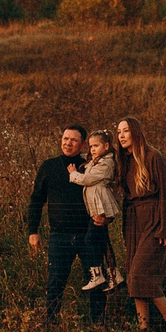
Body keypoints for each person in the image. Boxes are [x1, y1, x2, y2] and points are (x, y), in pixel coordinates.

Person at [113, 116, 166, 332]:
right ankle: (143, 328)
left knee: (139, 275)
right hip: (134, 220)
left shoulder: (153, 157)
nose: (122, 135)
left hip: (153, 218)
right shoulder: (124, 161)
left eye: (125, 131)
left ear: (136, 132)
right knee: (132, 272)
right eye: (118, 132)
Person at [24, 124, 106, 320]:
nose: (68, 143)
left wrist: (103, 218)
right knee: (55, 283)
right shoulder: (49, 167)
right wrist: (32, 231)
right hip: (59, 236)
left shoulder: (90, 167)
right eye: (65, 138)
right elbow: (36, 199)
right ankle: (50, 328)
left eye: (74, 140)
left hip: (89, 235)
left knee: (96, 282)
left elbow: (105, 193)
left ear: (83, 144)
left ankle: (99, 328)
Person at [70, 129, 124, 292]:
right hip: (95, 206)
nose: (92, 149)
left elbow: (87, 179)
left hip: (101, 205)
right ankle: (115, 276)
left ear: (106, 146)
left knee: (90, 240)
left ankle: (97, 275)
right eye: (91, 146)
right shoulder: (96, 161)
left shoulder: (106, 163)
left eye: (96, 146)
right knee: (102, 240)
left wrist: (73, 174)